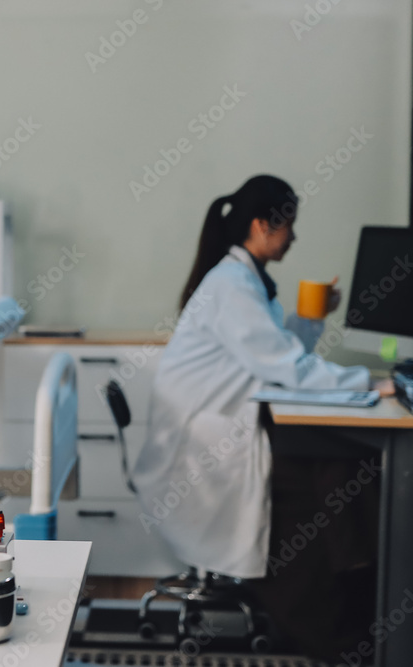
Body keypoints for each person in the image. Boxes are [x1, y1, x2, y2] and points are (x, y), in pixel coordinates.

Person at [131, 174, 393, 660]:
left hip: (224, 421)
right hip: (205, 440)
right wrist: (369, 382)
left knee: (338, 467)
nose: (294, 236)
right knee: (334, 474)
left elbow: (275, 355)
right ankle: (342, 616)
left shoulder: (245, 280)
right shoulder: (232, 284)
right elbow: (286, 367)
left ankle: (357, 590)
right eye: (289, 225)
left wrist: (312, 320)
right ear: (262, 225)